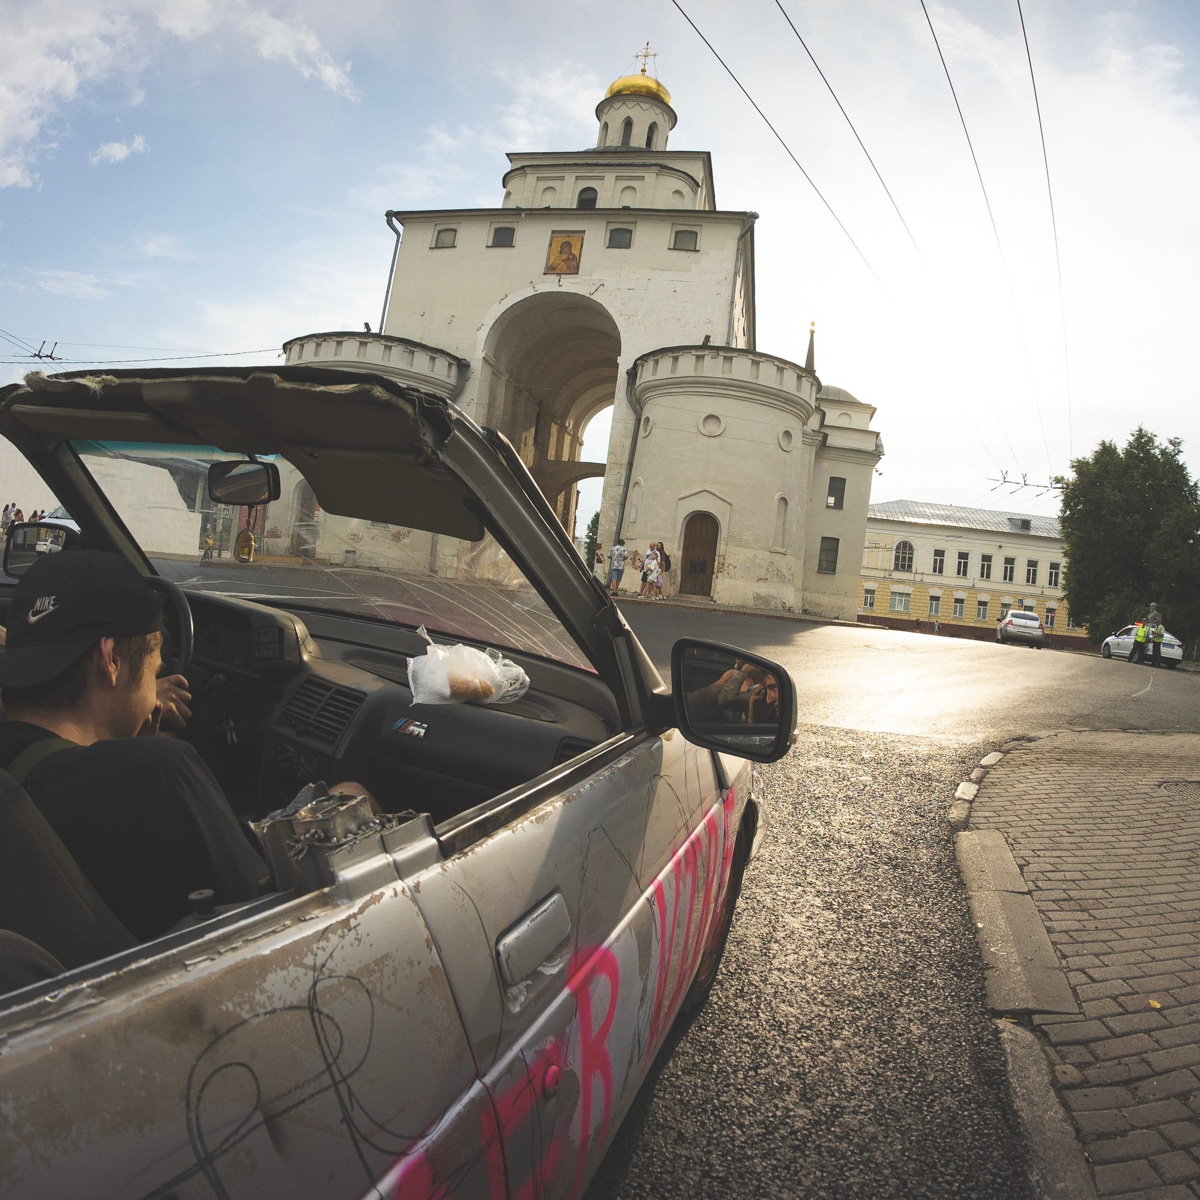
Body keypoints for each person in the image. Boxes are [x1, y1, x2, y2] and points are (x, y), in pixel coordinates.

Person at [0, 550, 269, 941]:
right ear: (110, 660)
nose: (153, 693)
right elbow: (266, 911)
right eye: (155, 671)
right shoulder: (159, 775)